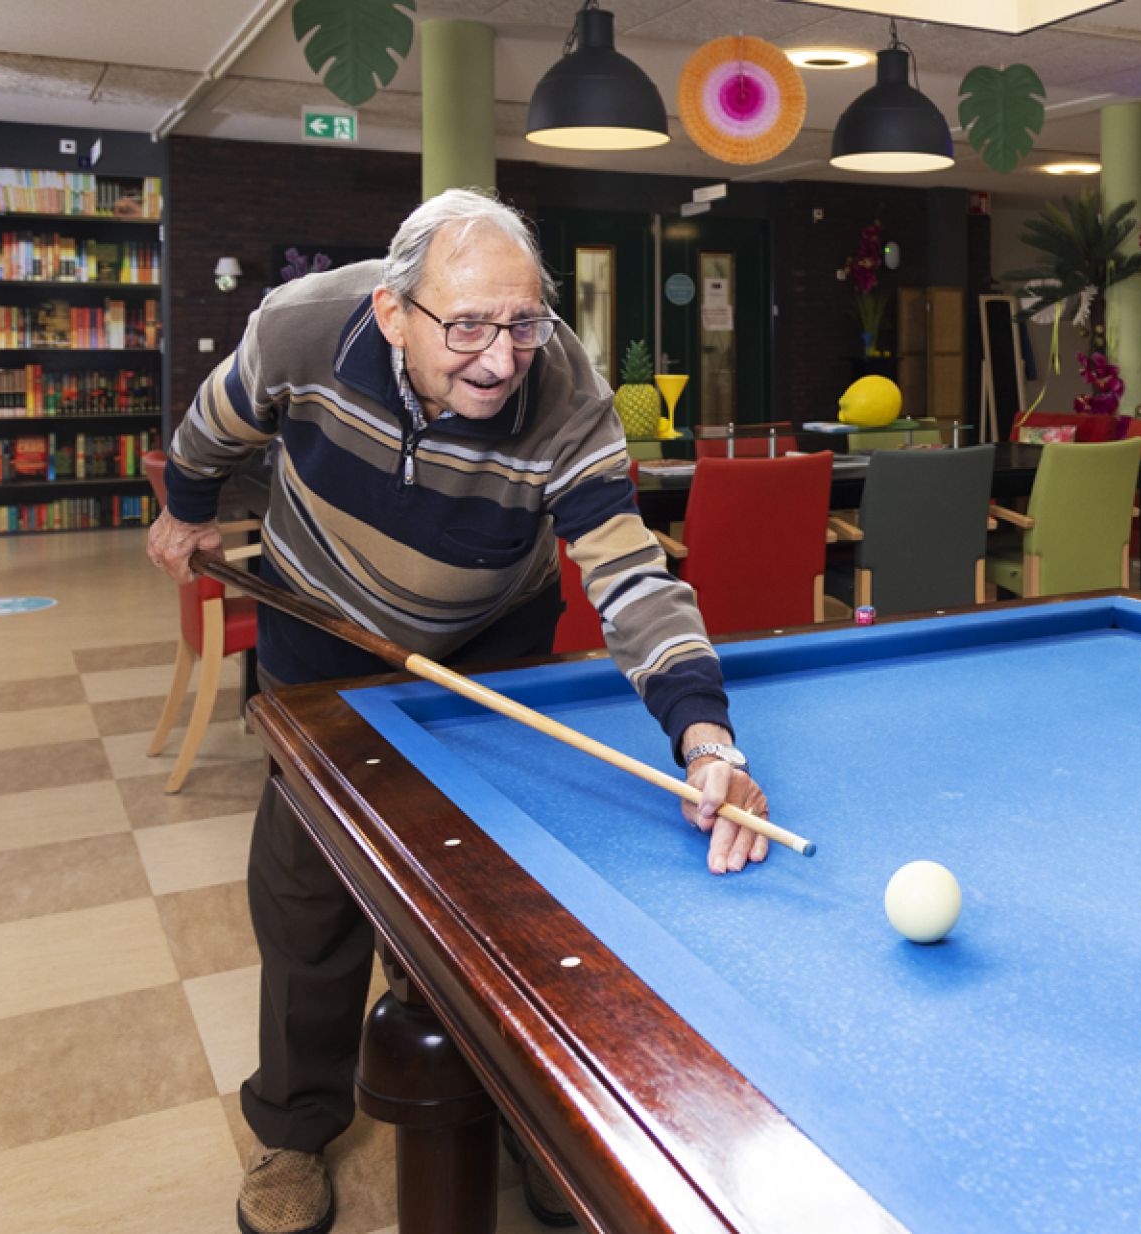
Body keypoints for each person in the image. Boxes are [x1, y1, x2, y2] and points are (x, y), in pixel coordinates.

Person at [145, 189, 767, 1234]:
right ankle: (294, 1130)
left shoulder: (564, 386)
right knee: (309, 894)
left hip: (492, 646)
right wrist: (188, 507)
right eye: (467, 325)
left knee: (486, 898)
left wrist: (705, 736)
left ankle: (530, 1120)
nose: (498, 356)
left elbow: (630, 576)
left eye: (522, 323)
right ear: (395, 311)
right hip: (321, 638)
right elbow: (213, 425)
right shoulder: (301, 326)